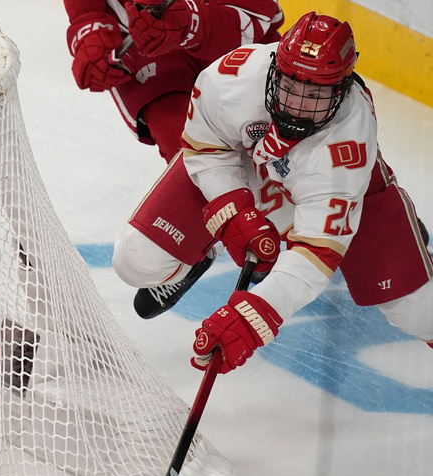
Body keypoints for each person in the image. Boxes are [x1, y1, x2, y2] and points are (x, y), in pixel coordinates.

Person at [111, 13, 433, 370]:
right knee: (135, 258)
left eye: (315, 94)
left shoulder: (347, 141)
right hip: (249, 165)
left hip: (332, 191)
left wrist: (253, 317)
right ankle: (206, 250)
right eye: (291, 86)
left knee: (418, 311)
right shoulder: (231, 78)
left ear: (341, 90)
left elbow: (314, 254)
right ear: (274, 67)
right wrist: (230, 208)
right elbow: (206, 148)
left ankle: (375, 227)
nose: (297, 104)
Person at [64, 0, 284, 163]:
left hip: (219, 19)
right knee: (180, 139)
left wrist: (193, 23)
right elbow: (86, 13)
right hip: (141, 40)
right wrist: (90, 33)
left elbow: (255, 9)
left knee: (287, 123)